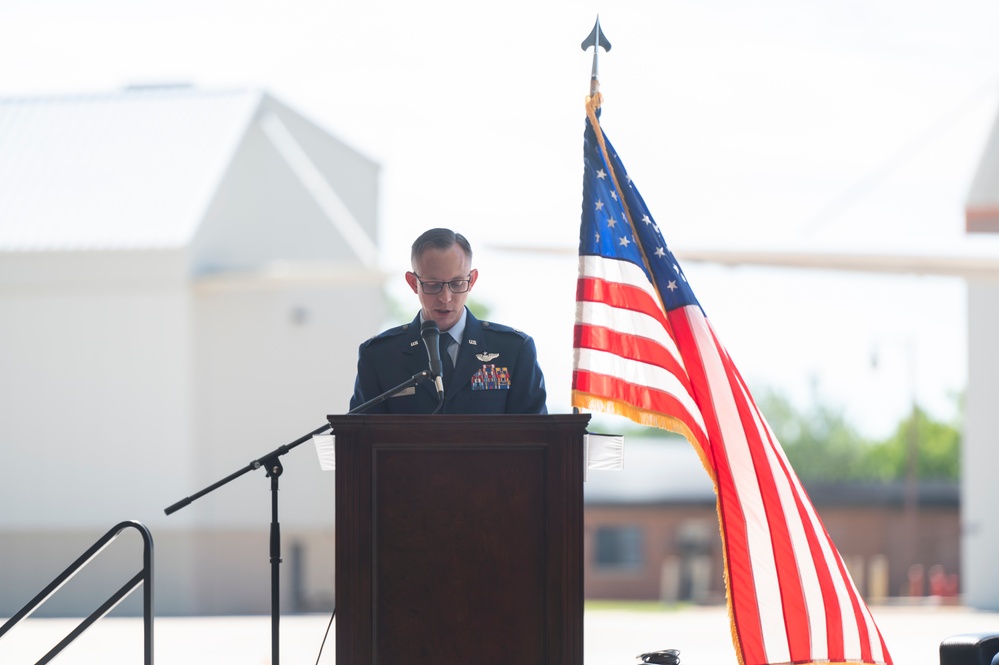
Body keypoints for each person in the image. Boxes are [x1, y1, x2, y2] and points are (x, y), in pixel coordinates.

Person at [349, 228, 547, 414]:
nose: (446, 297)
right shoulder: (380, 355)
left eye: (457, 283)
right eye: (433, 285)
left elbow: (538, 434)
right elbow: (358, 438)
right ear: (412, 283)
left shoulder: (512, 349)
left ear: (472, 280)